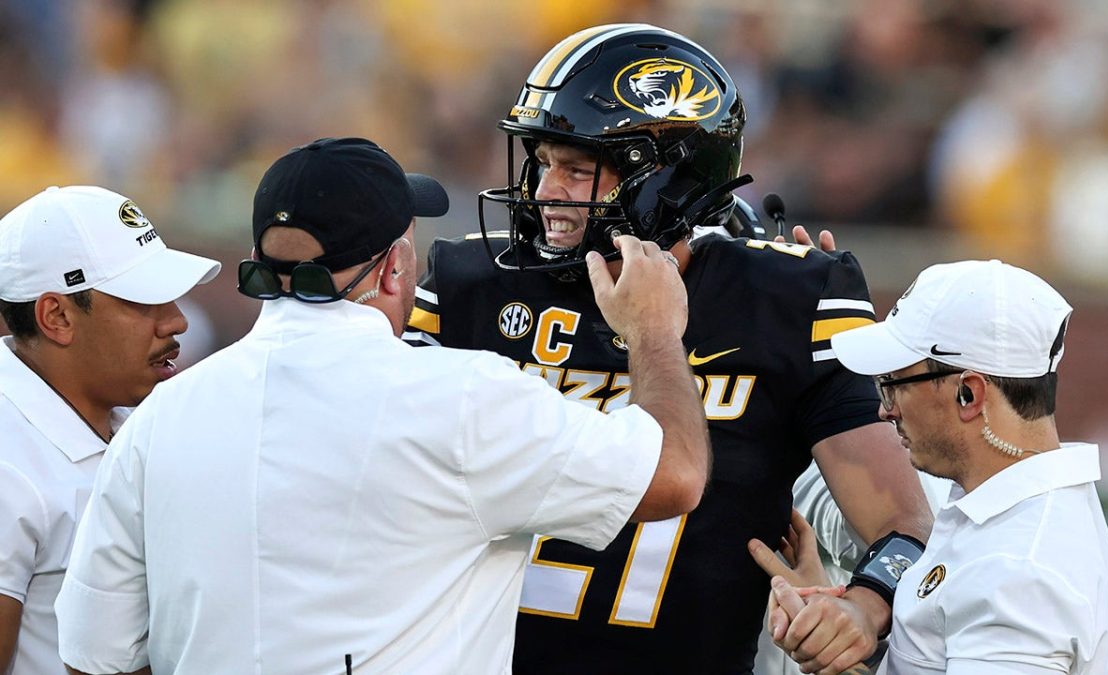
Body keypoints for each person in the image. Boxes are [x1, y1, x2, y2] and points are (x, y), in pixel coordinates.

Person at [53, 137, 710, 675]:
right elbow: (675, 472)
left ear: (259, 261)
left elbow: (94, 655)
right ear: (397, 268)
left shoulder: (158, 421)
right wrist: (652, 330)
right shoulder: (464, 399)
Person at [406, 24, 932, 674]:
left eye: (576, 169)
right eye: (542, 162)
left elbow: (905, 525)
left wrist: (861, 607)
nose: (545, 192)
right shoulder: (471, 286)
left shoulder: (788, 297)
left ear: (665, 178)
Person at [766, 259, 1108, 673]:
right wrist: (832, 636)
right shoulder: (1003, 508)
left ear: (969, 394)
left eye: (893, 384)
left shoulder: (1018, 573)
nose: (886, 410)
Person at [0, 185, 220, 675]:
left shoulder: (139, 416)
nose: (177, 321)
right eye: (144, 301)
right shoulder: (7, 465)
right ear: (56, 316)